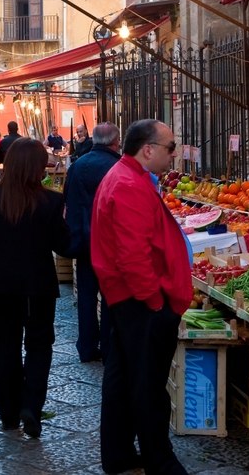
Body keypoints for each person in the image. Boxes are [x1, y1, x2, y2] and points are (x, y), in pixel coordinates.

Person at [92, 119, 190, 475]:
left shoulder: (123, 176)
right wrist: (154, 301)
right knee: (148, 385)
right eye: (170, 147)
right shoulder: (129, 184)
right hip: (139, 300)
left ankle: (117, 454)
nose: (174, 154)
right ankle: (159, 460)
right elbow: (132, 256)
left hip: (125, 297)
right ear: (147, 149)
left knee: (122, 377)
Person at [0, 138, 70, 437]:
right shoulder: (52, 201)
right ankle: (31, 407)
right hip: (38, 286)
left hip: (0, 285)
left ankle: (8, 410)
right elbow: (62, 245)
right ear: (37, 168)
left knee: (6, 348)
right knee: (39, 346)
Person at [63, 122, 121, 363]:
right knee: (110, 296)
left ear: (93, 140)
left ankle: (86, 347)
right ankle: (108, 348)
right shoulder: (118, 167)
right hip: (110, 244)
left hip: (84, 241)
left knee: (86, 296)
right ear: (116, 142)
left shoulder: (77, 165)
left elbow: (68, 199)